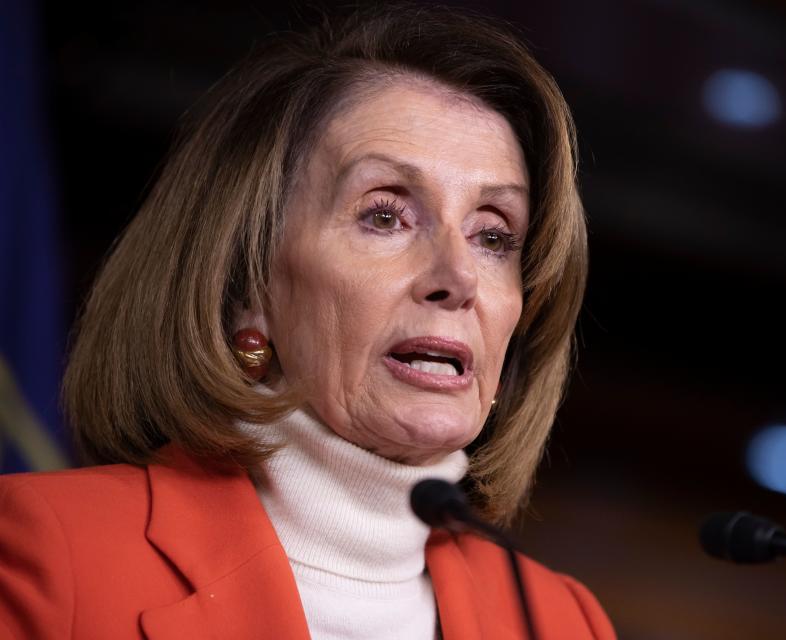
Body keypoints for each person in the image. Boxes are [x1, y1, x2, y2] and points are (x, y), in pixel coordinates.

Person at [0, 5, 615, 639]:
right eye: (385, 216)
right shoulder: (57, 554)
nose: (458, 278)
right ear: (249, 284)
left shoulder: (559, 622)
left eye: (493, 235)